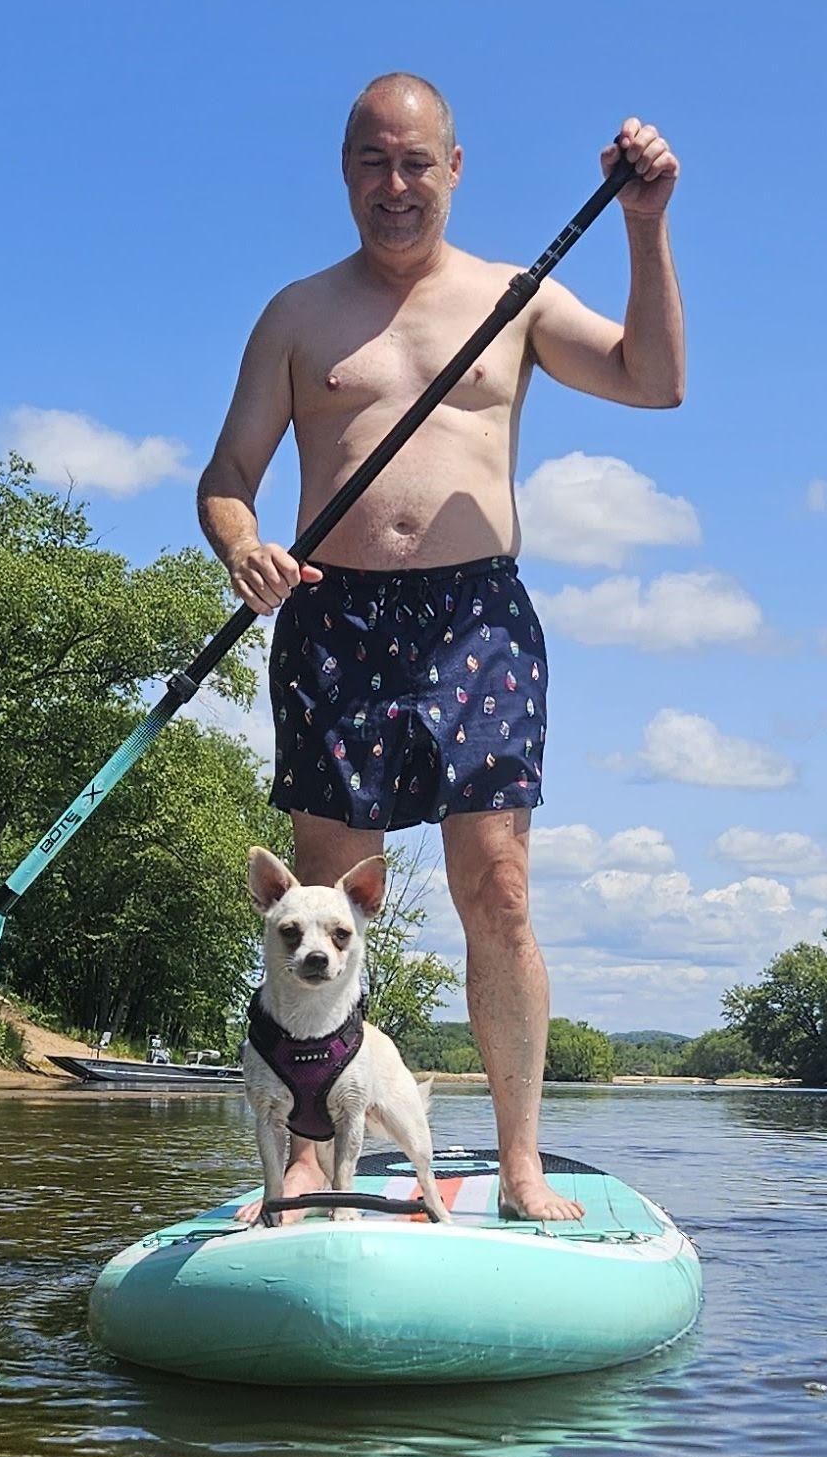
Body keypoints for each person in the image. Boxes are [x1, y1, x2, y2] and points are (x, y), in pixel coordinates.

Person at [195, 75, 685, 1224]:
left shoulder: (514, 296)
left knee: (499, 891)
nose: (396, 184)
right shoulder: (296, 314)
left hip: (479, 620)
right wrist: (242, 547)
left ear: (455, 169)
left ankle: (519, 1164)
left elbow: (654, 382)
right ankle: (309, 1160)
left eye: (416, 162)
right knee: (323, 896)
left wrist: (645, 224)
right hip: (334, 615)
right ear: (345, 171)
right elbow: (227, 476)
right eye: (373, 161)